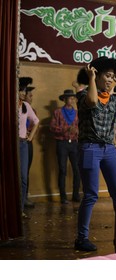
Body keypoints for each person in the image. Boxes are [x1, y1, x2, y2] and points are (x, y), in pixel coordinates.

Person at [74, 56, 116, 251]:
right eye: (107, 76)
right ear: (97, 75)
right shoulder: (84, 94)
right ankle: (81, 238)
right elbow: (92, 101)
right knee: (91, 195)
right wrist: (91, 78)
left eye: (112, 77)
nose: (110, 80)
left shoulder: (115, 100)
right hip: (89, 148)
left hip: (109, 149)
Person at [49, 89, 81, 204]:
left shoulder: (77, 112)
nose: (72, 100)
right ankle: (63, 197)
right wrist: (66, 129)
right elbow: (52, 128)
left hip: (74, 143)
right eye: (70, 98)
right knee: (62, 170)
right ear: (64, 99)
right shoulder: (58, 112)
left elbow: (81, 128)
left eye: (73, 98)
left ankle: (76, 195)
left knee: (77, 170)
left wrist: (77, 131)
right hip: (61, 143)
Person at [18, 77, 40, 218]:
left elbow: (36, 121)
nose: (22, 93)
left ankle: (20, 209)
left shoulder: (25, 106)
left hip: (22, 144)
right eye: (20, 90)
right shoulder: (9, 103)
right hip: (10, 144)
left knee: (23, 178)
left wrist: (30, 137)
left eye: (24, 91)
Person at [24, 81, 37, 208]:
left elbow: (35, 124)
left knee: (26, 169)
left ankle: (25, 195)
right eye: (30, 95)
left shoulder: (32, 110)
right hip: (20, 141)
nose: (31, 98)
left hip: (28, 142)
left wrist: (30, 135)